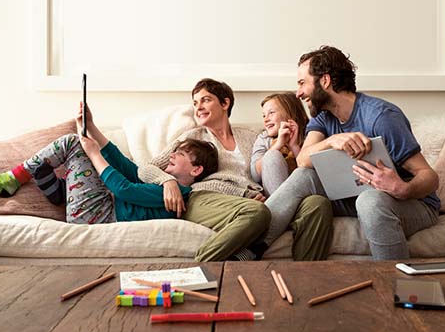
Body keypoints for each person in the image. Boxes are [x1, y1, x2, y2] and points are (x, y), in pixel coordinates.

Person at [265, 46, 441, 260]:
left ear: (325, 81)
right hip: (353, 195)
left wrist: (403, 189)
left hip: (410, 203)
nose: (298, 93)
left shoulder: (381, 117)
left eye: (302, 83)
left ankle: (393, 279)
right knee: (304, 175)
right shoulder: (323, 117)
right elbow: (303, 159)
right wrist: (332, 141)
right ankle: (252, 246)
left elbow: (429, 176)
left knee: (369, 201)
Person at [138, 78, 331, 262]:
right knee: (256, 211)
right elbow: (145, 168)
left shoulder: (252, 136)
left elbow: (268, 168)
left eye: (205, 100)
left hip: (256, 201)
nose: (198, 107)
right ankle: (202, 266)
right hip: (208, 198)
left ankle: (304, 276)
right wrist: (168, 181)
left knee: (318, 203)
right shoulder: (191, 138)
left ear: (225, 103)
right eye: (195, 103)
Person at [0, 103, 219, 224]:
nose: (172, 155)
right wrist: (91, 128)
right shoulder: (165, 184)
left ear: (196, 169)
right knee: (84, 145)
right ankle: (60, 191)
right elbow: (127, 168)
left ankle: (12, 179)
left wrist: (94, 154)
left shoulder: (177, 194)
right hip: (98, 209)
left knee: (74, 144)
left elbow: (124, 189)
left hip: (97, 216)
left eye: (181, 154)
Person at [250, 92, 309, 197]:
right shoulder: (264, 138)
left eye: (271, 113)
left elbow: (311, 172)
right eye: (264, 115)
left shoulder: (311, 134)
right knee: (272, 155)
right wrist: (278, 144)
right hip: (275, 196)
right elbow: (255, 175)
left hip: (303, 193)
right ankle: (282, 203)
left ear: (291, 114)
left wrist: (294, 146)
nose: (266, 119)